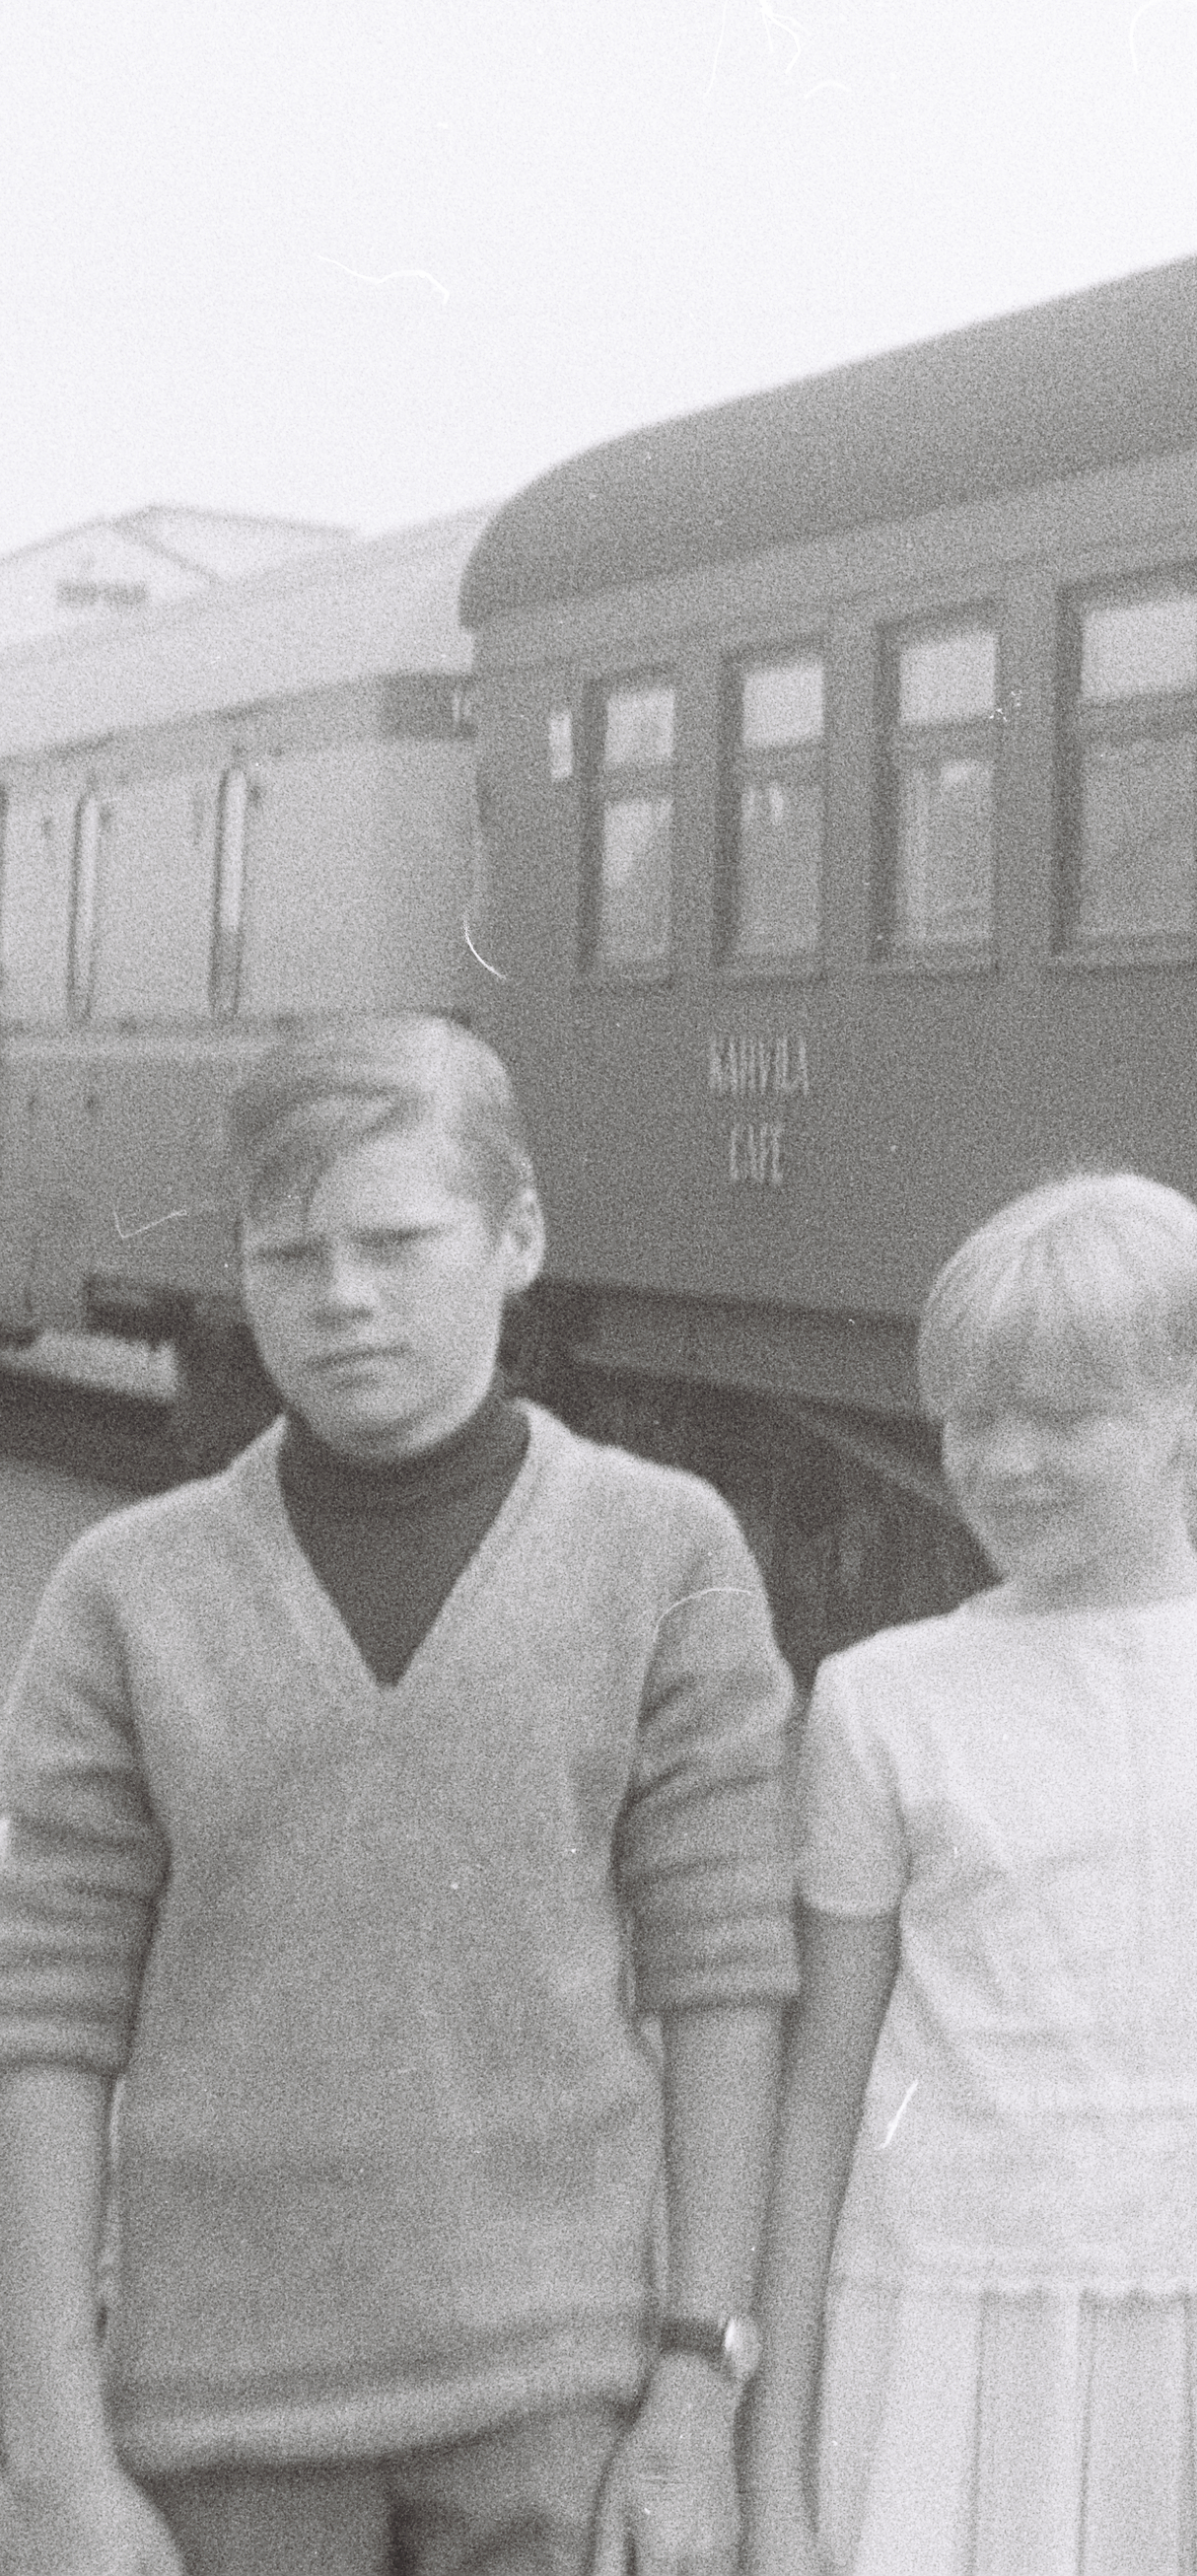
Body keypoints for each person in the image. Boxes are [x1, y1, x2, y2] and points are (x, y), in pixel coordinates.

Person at [0, 1013, 796, 2576]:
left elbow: (728, 1980)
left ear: (517, 1240)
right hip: (221, 2430)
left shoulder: (665, 1553)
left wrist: (697, 2387)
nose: (343, 1296)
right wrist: (53, 2457)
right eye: (289, 1253)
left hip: (558, 2409)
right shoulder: (125, 1594)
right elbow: (47, 2014)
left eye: (396, 1242)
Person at [745, 1171, 1197, 2576]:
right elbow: (818, 2094)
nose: (1005, 1461)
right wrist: (776, 2475)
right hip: (944, 2328)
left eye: (1063, 1417)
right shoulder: (883, 1700)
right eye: (971, 1417)